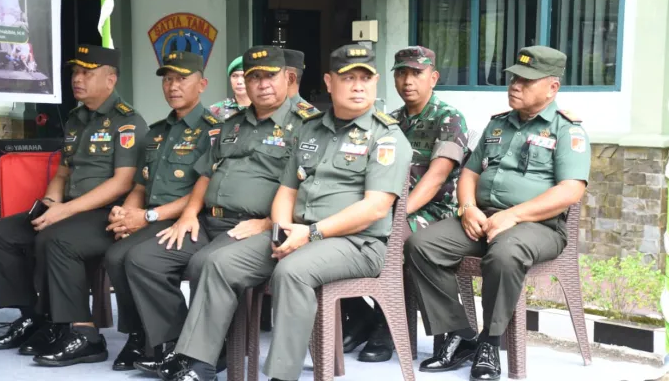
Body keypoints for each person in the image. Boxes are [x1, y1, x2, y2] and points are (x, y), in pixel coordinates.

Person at [162, 44, 412, 381]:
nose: (358, 87)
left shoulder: (386, 136)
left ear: (375, 81)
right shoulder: (310, 128)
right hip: (298, 233)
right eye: (348, 78)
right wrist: (281, 232)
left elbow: (375, 208)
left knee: (292, 271)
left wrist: (310, 233)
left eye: (365, 79)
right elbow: (287, 191)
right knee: (218, 262)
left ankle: (282, 375)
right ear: (329, 82)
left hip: (357, 243)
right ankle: (199, 364)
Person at [122, 45, 322, 378]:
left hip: (259, 228)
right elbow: (206, 173)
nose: (262, 84)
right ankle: (175, 346)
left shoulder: (307, 127)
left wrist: (267, 222)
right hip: (210, 220)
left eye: (269, 76)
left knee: (209, 262)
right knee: (144, 259)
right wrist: (189, 214)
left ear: (287, 79)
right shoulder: (231, 124)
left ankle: (201, 360)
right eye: (253, 77)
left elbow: (310, 189)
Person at [405, 45, 591, 380]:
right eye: (514, 78)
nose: (515, 85)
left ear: (552, 87)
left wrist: (514, 215)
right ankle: (461, 334)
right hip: (483, 218)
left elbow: (571, 190)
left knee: (505, 255)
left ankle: (490, 343)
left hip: (539, 227)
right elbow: (470, 173)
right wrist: (467, 207)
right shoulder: (498, 125)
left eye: (526, 81)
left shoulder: (567, 130)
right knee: (421, 245)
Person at [0, 44, 148, 365]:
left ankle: (85, 335)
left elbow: (123, 182)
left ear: (110, 80)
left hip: (107, 215)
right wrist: (49, 204)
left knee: (55, 239)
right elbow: (63, 172)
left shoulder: (128, 122)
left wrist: (64, 212)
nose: (77, 79)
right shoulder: (76, 119)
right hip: (69, 209)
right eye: (75, 72)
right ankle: (35, 318)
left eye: (87, 73)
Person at [103, 51, 218, 371]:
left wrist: (148, 217)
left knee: (141, 259)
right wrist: (126, 214)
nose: (173, 86)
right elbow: (140, 186)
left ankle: (174, 342)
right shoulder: (156, 132)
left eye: (182, 79)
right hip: (153, 218)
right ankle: (140, 335)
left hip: (192, 221)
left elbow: (204, 192)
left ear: (202, 84)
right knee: (115, 255)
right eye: (168, 79)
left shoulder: (213, 131)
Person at [356, 46, 470, 362]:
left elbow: (436, 178)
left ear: (433, 78)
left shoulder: (449, 118)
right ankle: (362, 316)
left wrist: (394, 214)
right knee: (341, 235)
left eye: (417, 73)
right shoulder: (389, 121)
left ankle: (386, 324)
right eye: (402, 73)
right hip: (388, 207)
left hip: (435, 212)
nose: (408, 81)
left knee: (389, 238)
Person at [209, 56, 251, 120]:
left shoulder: (264, 108)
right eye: (235, 76)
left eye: (244, 76)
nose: (239, 82)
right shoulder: (215, 110)